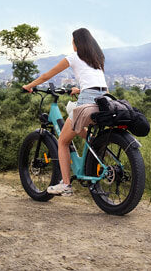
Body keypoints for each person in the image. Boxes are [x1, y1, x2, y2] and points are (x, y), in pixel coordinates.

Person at [23, 28, 108, 197]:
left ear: (77, 42)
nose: (72, 44)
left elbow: (48, 75)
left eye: (72, 41)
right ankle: (92, 146)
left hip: (88, 99)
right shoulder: (97, 59)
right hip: (104, 98)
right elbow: (94, 83)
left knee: (62, 140)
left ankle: (66, 185)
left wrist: (30, 85)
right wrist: (79, 89)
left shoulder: (74, 57)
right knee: (78, 127)